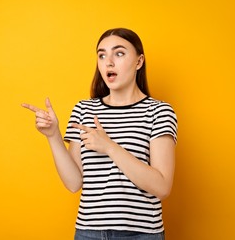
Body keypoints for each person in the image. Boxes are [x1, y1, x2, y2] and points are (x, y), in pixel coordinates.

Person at [22, 28, 177, 240]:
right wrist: (53, 135)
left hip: (140, 234)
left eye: (119, 53)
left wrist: (109, 147)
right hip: (89, 233)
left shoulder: (158, 112)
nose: (108, 62)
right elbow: (74, 183)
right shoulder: (84, 110)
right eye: (102, 55)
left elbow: (162, 187)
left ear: (139, 62)